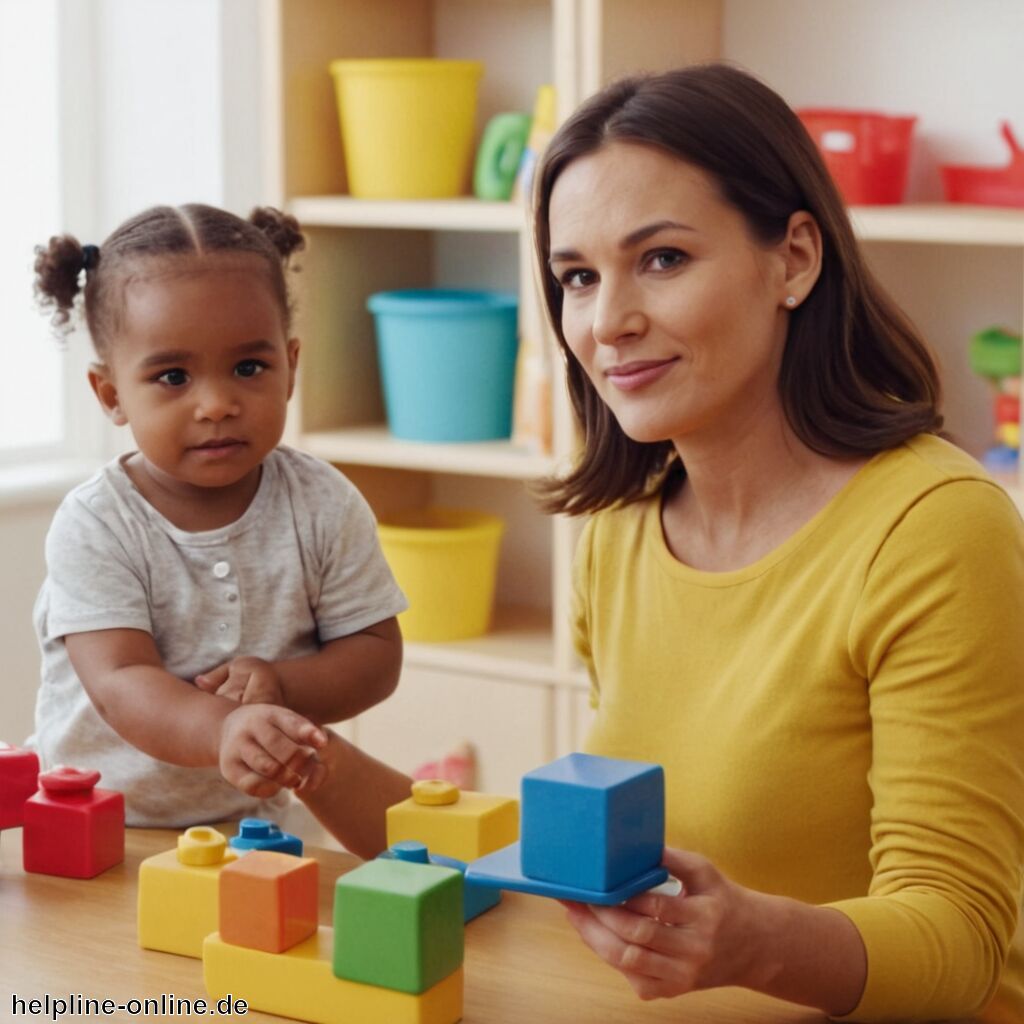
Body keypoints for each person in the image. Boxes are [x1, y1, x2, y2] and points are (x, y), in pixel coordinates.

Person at [527, 63, 1024, 1023]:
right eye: (577, 277)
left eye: (662, 259)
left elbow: (960, 937)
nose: (608, 321)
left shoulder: (938, 527)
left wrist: (754, 940)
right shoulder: (615, 532)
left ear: (794, 259)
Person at [29, 203, 407, 828]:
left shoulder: (322, 503)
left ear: (289, 368)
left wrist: (284, 686)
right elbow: (121, 679)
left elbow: (374, 654)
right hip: (95, 826)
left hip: (247, 824)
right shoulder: (96, 524)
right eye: (173, 376)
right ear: (111, 395)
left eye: (249, 368)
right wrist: (226, 727)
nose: (217, 404)